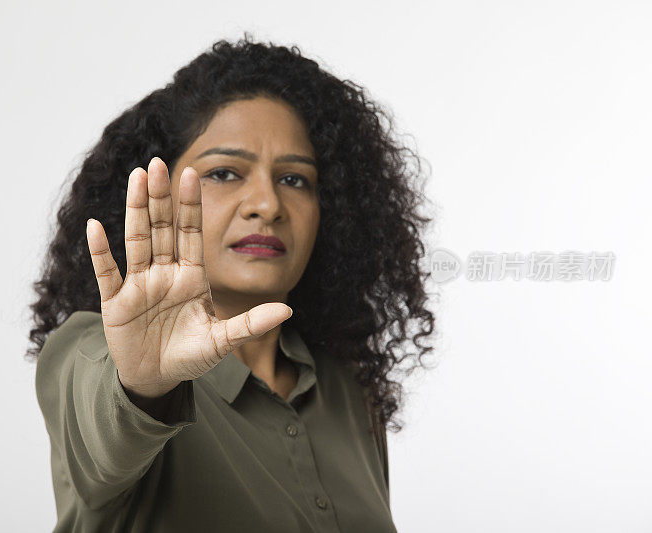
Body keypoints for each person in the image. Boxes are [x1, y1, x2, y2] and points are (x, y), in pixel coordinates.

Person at [28, 34, 435, 533]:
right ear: (159, 194)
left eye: (295, 180)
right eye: (224, 173)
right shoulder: (96, 351)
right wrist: (143, 387)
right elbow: (102, 437)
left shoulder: (347, 389)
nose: (267, 203)